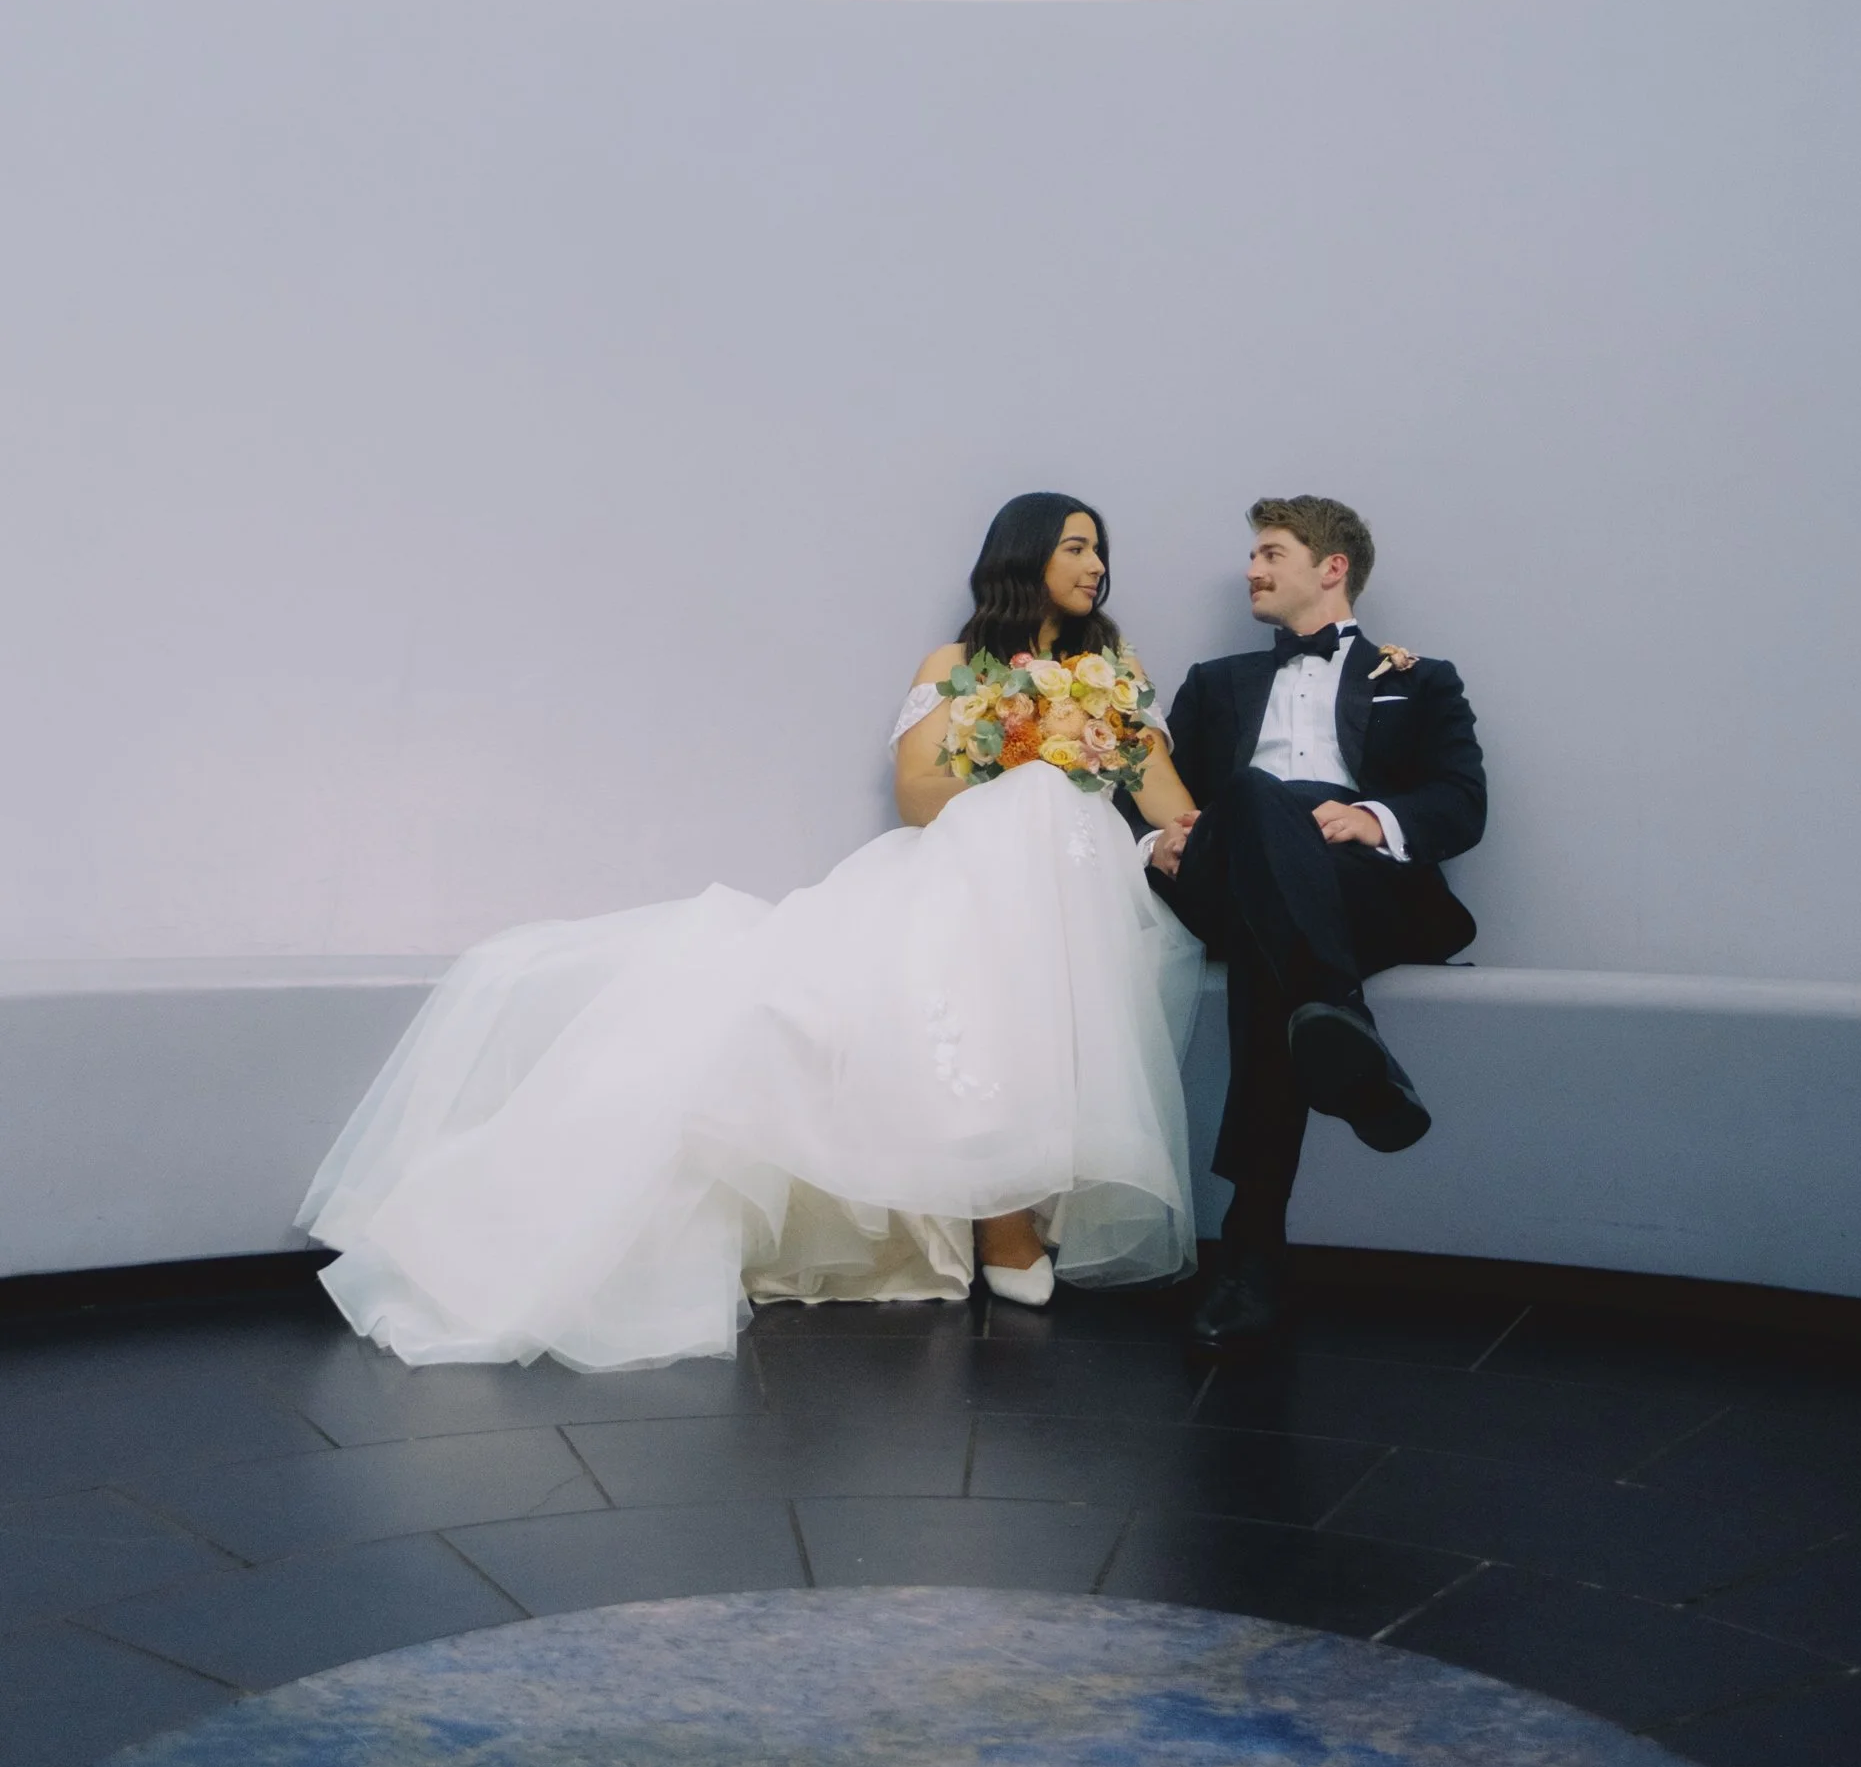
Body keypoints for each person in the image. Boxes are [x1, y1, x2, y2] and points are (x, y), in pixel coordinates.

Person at [297, 493, 1206, 1369]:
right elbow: (919, 795)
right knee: (1011, 849)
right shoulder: (955, 665)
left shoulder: (1113, 673)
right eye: (1076, 546)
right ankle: (997, 1211)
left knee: (1058, 854)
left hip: (1076, 893)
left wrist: (1170, 825)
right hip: (973, 878)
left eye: (1100, 550)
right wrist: (1029, 744)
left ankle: (1020, 1201)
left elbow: (1169, 805)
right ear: (1026, 556)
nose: (1096, 565)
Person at [1148, 496, 1485, 1350]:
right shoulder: (1213, 683)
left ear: (1331, 568)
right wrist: (1158, 840)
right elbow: (1154, 796)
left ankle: (1254, 1255)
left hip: (1362, 891)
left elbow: (1462, 802)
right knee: (1263, 798)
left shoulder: (1423, 679)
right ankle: (1338, 1016)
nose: (1251, 571)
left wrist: (1371, 817)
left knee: (1276, 957)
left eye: (1269, 553)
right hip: (1236, 876)